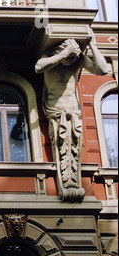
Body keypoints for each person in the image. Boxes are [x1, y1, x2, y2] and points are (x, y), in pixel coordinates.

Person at [35, 38, 108, 201]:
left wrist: (92, 45)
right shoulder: (50, 56)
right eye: (70, 56)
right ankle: (67, 182)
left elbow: (103, 70)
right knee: (63, 148)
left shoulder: (78, 58)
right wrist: (63, 54)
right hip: (56, 111)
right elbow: (38, 67)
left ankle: (72, 182)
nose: (72, 59)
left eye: (74, 56)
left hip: (74, 111)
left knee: (73, 149)